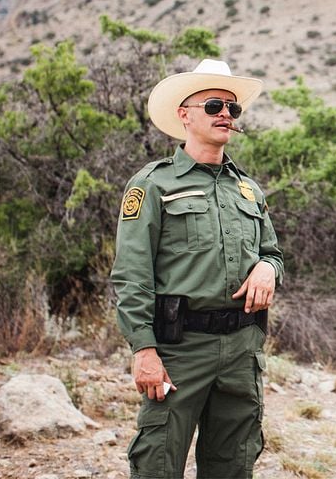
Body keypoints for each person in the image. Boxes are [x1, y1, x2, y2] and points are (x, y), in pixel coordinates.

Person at [111, 58, 283, 479]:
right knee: (157, 464)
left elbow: (273, 253)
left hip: (242, 350)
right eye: (213, 106)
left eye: (232, 108)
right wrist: (144, 350)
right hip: (179, 350)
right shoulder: (153, 184)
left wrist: (267, 268)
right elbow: (131, 276)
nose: (226, 114)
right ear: (184, 115)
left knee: (233, 466)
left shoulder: (247, 188)